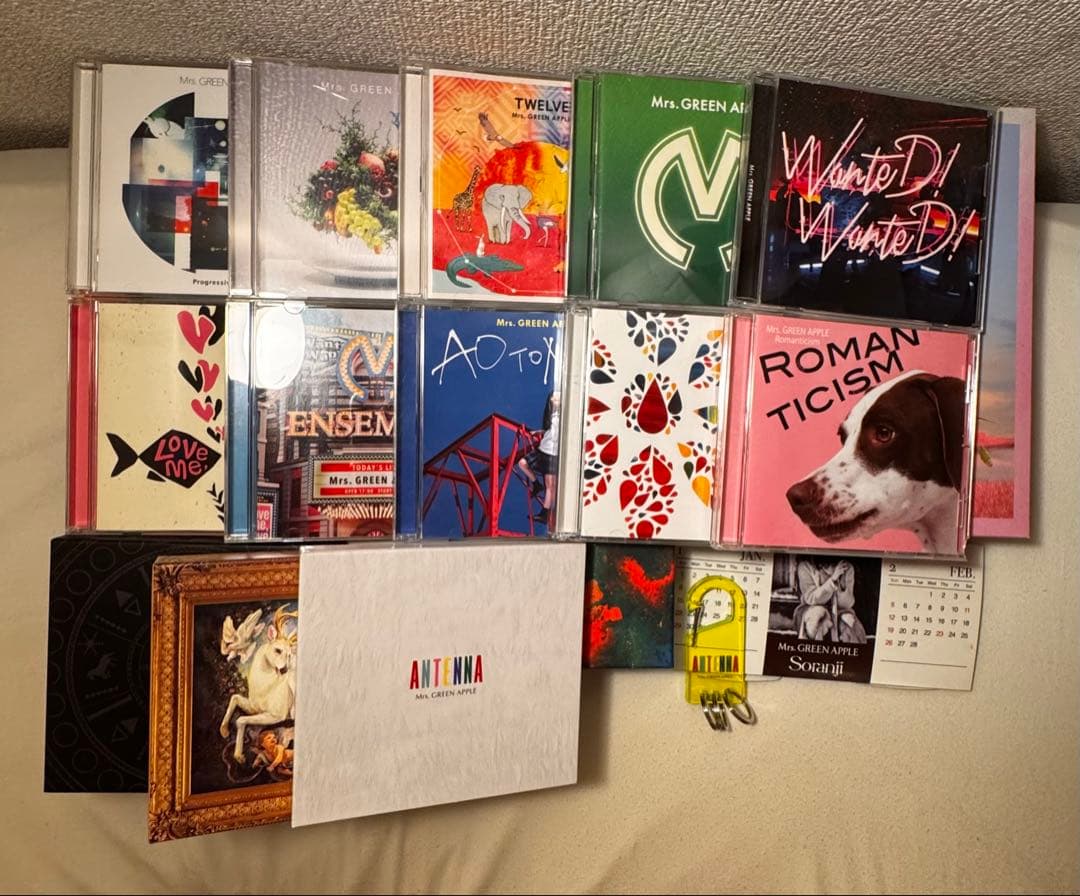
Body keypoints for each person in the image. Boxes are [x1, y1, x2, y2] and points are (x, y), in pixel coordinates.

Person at [793, 558, 867, 644]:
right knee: (819, 617)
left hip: (839, 611)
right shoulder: (805, 566)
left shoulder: (846, 567)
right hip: (811, 608)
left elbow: (847, 604)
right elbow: (811, 598)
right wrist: (832, 581)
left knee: (850, 623)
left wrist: (841, 587)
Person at [516, 393, 560, 527]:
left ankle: (545, 513)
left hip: (553, 453)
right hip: (543, 450)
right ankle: (536, 484)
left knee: (550, 485)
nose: (555, 400)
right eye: (553, 398)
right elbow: (551, 431)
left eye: (558, 398)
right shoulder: (550, 415)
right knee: (522, 463)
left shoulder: (566, 416)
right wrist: (540, 432)